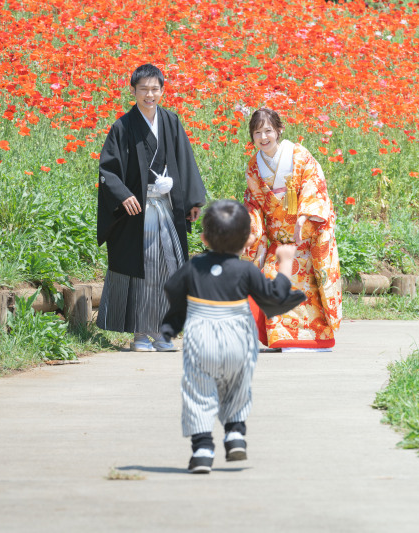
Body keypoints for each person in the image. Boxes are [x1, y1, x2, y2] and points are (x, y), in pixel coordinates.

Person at [161, 200, 305, 473]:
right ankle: (235, 434)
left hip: (201, 338)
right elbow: (275, 296)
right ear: (247, 240)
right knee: (238, 387)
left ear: (203, 238)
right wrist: (285, 263)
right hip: (239, 339)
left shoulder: (195, 266)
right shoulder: (246, 270)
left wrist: (172, 324)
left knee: (199, 391)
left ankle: (202, 450)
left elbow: (172, 288)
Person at [96, 63, 206, 352]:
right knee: (142, 268)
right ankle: (140, 334)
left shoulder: (171, 122)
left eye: (154, 89)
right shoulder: (122, 126)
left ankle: (162, 332)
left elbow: (186, 161)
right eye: (143, 89)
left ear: (162, 90)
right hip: (136, 212)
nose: (149, 94)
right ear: (132, 91)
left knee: (168, 267)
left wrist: (192, 201)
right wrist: (123, 195)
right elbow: (108, 169)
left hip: (166, 207)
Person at [243, 108, 342, 351]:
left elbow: (313, 184)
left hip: (305, 240)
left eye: (268, 131)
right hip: (279, 241)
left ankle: (316, 340)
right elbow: (253, 203)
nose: (263, 137)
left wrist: (304, 216)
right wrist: (251, 229)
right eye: (258, 132)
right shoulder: (255, 166)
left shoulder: (299, 155)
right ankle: (283, 339)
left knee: (310, 288)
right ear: (252, 136)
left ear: (279, 130)